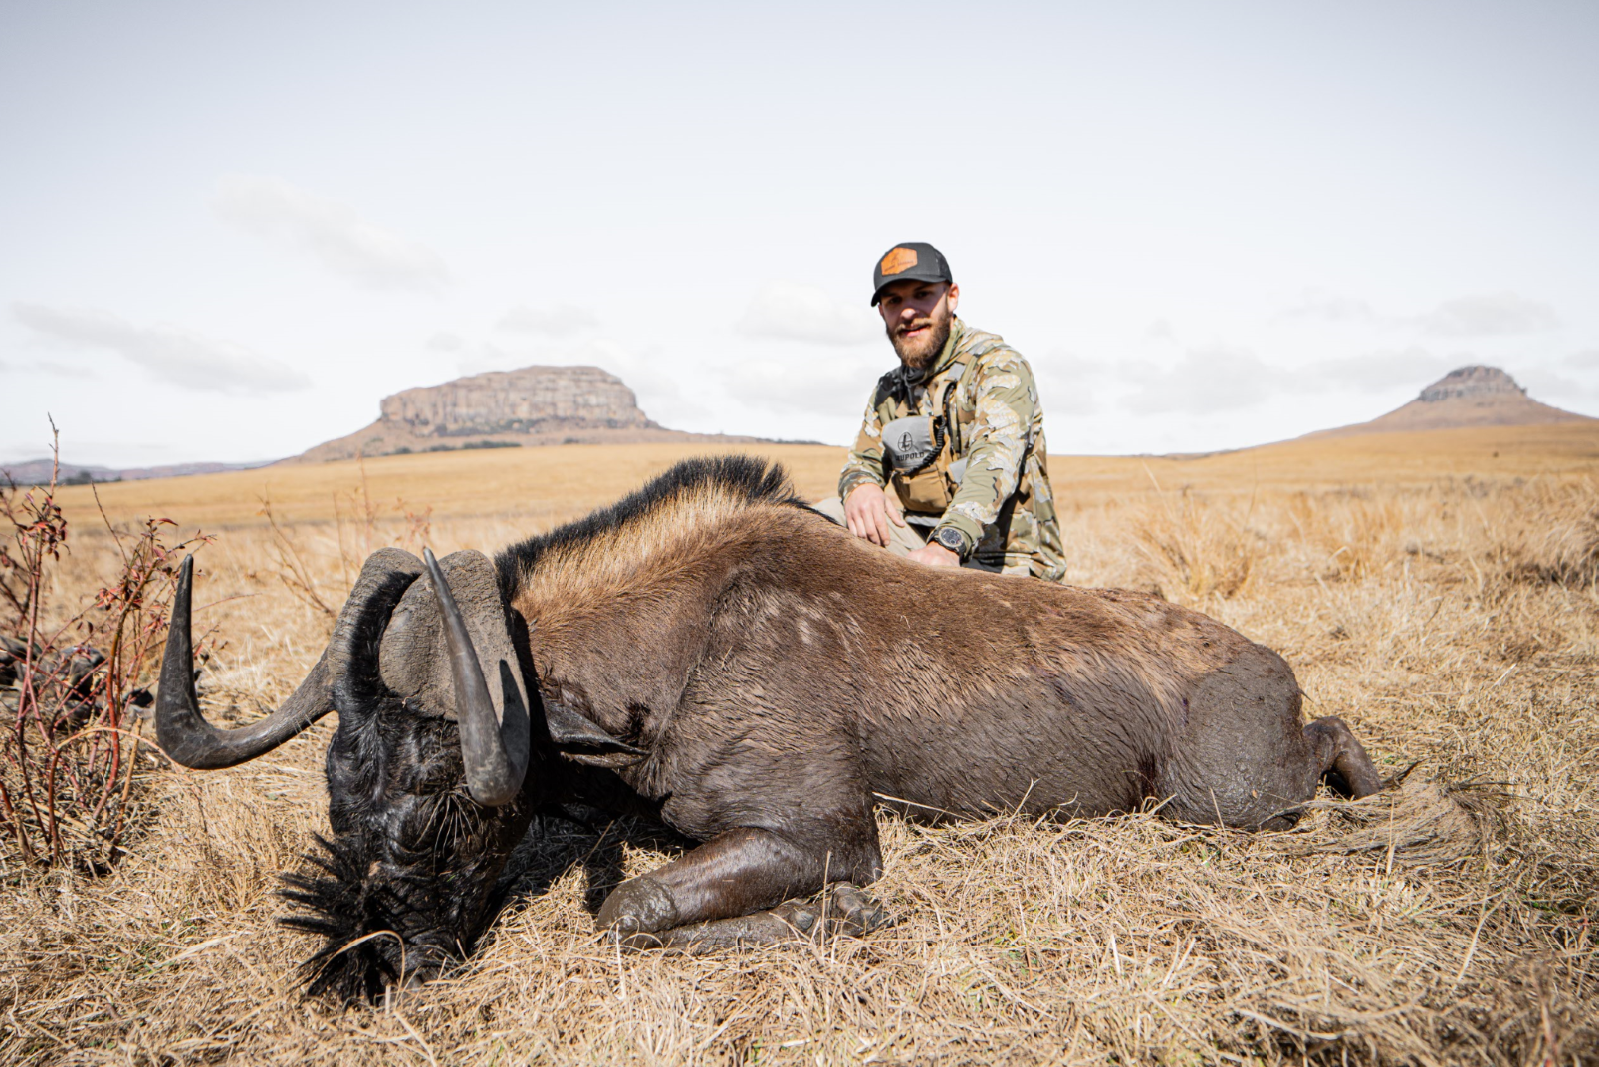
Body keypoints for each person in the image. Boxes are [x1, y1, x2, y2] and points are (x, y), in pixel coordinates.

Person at [816, 242, 1066, 581]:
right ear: (882, 313)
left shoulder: (998, 366)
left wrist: (947, 545)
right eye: (894, 301)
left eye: (921, 295)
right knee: (826, 516)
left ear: (952, 296)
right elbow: (861, 462)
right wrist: (861, 486)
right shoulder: (889, 390)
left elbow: (995, 461)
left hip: (1007, 564)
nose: (907, 312)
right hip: (920, 549)